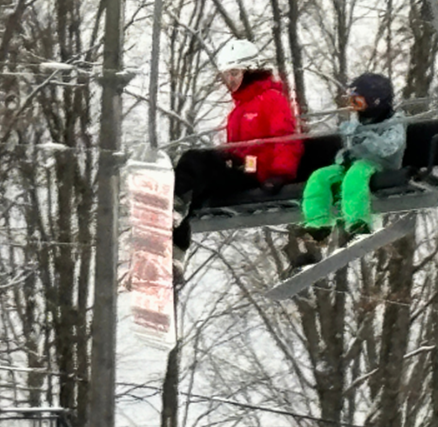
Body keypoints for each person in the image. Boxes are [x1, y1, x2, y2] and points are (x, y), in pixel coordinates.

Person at [172, 39, 304, 281]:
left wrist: (280, 174)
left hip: (257, 170)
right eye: (226, 75)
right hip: (240, 168)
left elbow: (284, 137)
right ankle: (174, 252)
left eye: (235, 73)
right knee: (194, 190)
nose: (230, 80)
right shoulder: (238, 110)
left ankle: (175, 205)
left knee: (195, 159)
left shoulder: (271, 99)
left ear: (250, 71)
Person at [300, 72, 406, 250]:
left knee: (356, 175)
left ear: (375, 101)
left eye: (358, 102)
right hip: (354, 164)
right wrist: (346, 153)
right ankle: (318, 226)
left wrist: (364, 137)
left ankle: (358, 223)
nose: (354, 108)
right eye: (351, 102)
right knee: (320, 177)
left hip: (381, 165)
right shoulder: (358, 121)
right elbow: (351, 148)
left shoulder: (394, 121)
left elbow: (389, 146)